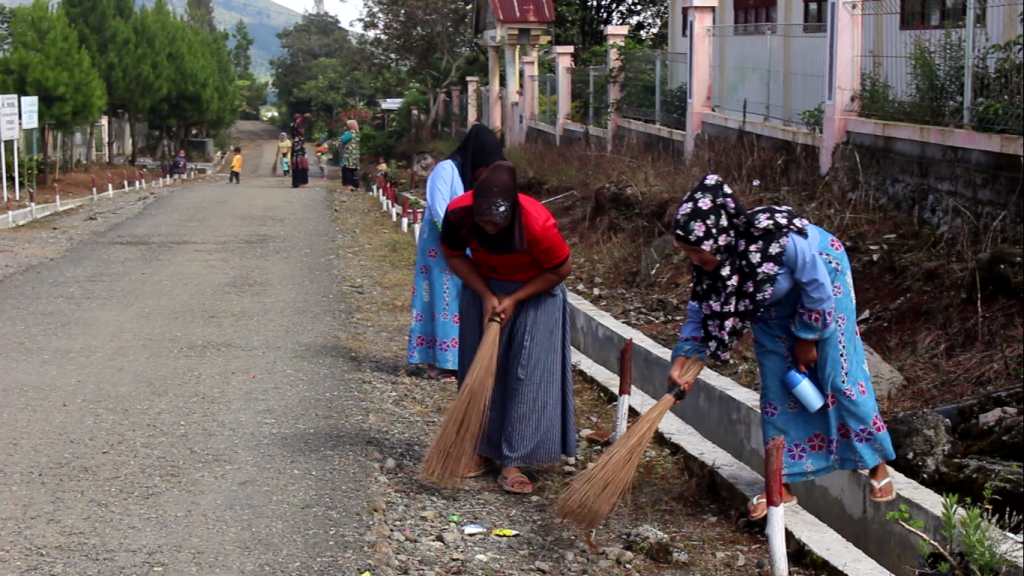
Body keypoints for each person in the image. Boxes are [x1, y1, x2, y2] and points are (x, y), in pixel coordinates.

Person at [667, 175, 897, 520]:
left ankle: (876, 464)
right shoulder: (712, 266)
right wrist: (685, 356)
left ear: (719, 238)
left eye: (696, 251)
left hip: (824, 286)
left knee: (839, 377)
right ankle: (781, 486)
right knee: (776, 391)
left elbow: (817, 286)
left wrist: (807, 337)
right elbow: (700, 312)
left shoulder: (777, 239)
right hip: (770, 310)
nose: (694, 260)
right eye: (688, 253)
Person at [440, 161, 576, 495]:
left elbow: (560, 270)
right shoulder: (458, 214)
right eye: (482, 222)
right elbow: (454, 255)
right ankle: (479, 449)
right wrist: (486, 294)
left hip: (536, 291)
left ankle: (514, 460)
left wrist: (516, 299)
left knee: (526, 374)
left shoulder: (537, 224)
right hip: (483, 286)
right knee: (478, 368)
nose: (488, 229)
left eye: (496, 224)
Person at [407, 124, 506, 381]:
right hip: (440, 245)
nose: (488, 173)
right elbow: (440, 210)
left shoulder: (475, 178)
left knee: (461, 301)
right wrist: (461, 236)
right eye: (488, 166)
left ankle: (457, 358)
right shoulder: (445, 170)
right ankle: (438, 362)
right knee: (441, 300)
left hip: (464, 245)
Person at [290, 113, 310, 189]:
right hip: (296, 147)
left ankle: (303, 182)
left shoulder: (300, 126)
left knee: (303, 164)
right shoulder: (293, 125)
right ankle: (297, 182)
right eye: (298, 119)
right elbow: (298, 123)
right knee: (297, 164)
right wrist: (304, 117)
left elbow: (303, 123)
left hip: (301, 146)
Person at [339, 119, 361, 191]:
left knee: (347, 170)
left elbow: (342, 139)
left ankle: (348, 185)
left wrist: (344, 134)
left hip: (349, 154)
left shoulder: (349, 133)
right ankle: (356, 185)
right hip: (355, 154)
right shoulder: (357, 133)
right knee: (354, 170)